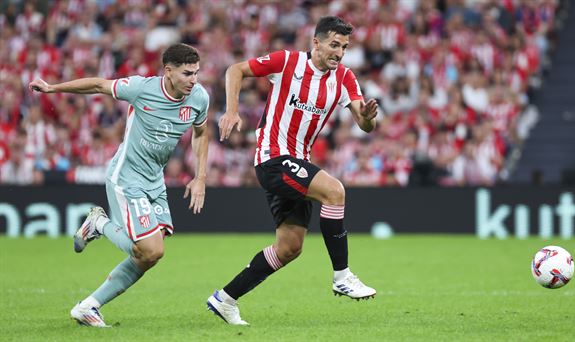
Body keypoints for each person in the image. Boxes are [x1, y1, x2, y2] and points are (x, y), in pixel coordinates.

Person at [207, 16, 378, 325]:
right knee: (334, 191)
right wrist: (231, 110)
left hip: (298, 163)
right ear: (317, 42)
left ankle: (225, 298)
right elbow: (236, 70)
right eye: (334, 45)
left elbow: (365, 125)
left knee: (289, 248)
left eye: (345, 47)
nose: (339, 53)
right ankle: (342, 275)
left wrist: (367, 117)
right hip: (273, 158)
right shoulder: (288, 62)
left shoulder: (345, 78)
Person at [29, 43, 210, 327]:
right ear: (169, 71)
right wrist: (53, 88)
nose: (194, 80)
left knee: (149, 255)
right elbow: (99, 85)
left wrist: (200, 177)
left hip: (155, 180)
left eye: (197, 73)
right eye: (188, 73)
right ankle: (99, 223)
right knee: (151, 250)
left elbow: (201, 133)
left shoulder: (199, 98)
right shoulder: (141, 88)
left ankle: (88, 307)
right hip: (126, 177)